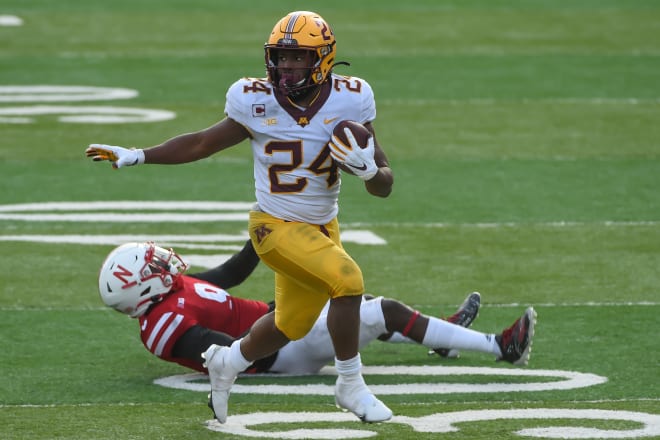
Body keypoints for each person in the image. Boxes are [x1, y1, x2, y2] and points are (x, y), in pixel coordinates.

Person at [85, 10, 536, 423]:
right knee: (349, 281)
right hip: (273, 227)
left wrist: (367, 171)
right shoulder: (252, 99)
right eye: (281, 59)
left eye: (298, 59)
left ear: (321, 60)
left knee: (291, 323)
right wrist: (140, 155)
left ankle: (228, 363)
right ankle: (350, 384)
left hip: (323, 224)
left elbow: (385, 184)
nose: (287, 68)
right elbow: (202, 143)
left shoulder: (352, 99)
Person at [97, 240, 537, 378]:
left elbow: (230, 274)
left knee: (353, 303)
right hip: (279, 350)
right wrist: (292, 322)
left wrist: (265, 230)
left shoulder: (171, 293)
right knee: (380, 310)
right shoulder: (163, 325)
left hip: (273, 324)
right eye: (153, 265)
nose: (164, 263)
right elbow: (235, 354)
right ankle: (500, 347)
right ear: (143, 286)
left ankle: (442, 335)